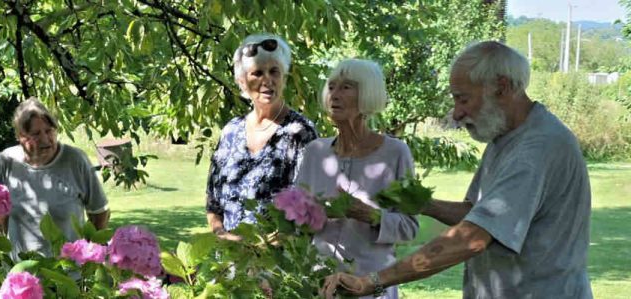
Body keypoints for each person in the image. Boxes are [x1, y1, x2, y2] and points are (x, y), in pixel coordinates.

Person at [321, 41, 593, 299]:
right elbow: (478, 212)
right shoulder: (506, 136)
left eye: (462, 99)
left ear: (501, 87)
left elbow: (472, 236)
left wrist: (372, 281)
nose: (456, 113)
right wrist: (423, 203)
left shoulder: (537, 148)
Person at [294, 59, 418, 299]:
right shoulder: (315, 151)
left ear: (368, 95)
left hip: (370, 284)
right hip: (319, 284)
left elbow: (410, 228)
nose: (335, 95)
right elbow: (294, 220)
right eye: (331, 87)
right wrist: (314, 214)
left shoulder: (395, 153)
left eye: (346, 87)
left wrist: (372, 216)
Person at [205, 34, 318, 240]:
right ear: (242, 82)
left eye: (274, 71)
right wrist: (221, 234)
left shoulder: (299, 133)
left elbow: (306, 209)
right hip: (228, 261)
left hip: (276, 264)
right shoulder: (231, 131)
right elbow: (213, 201)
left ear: (284, 77)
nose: (267, 80)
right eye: (257, 73)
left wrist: (258, 247)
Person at [0, 98, 110, 260]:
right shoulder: (6, 161)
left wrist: (89, 256)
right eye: (36, 134)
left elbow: (99, 213)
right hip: (21, 276)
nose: (46, 139)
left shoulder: (75, 160)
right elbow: (0, 216)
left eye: (49, 131)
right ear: (20, 136)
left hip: (69, 276)